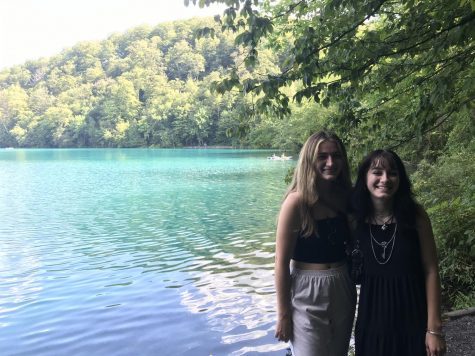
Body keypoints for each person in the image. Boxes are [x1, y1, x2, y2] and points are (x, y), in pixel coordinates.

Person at [351, 149, 446, 356]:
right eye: (377, 172)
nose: (385, 179)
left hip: (413, 322)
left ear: (400, 179)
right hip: (372, 324)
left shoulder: (416, 216)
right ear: (364, 177)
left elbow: (431, 271)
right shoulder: (355, 220)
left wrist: (434, 329)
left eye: (392, 173)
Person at [274, 131, 356, 356]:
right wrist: (283, 314)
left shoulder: (347, 197)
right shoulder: (296, 202)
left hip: (342, 285)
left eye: (336, 156)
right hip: (306, 291)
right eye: (322, 156)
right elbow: (280, 264)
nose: (331, 162)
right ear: (310, 160)